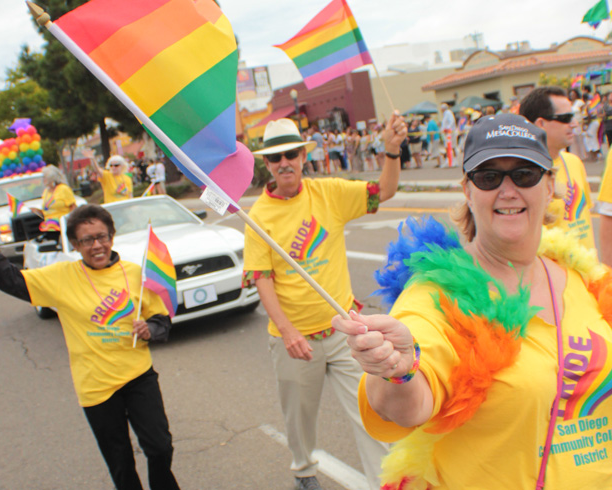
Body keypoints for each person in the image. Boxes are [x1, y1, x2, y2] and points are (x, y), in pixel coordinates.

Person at [333, 113, 612, 489]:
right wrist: (397, 368)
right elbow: (410, 403)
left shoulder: (581, 276)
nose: (508, 190)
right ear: (467, 189)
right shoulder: (438, 295)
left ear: (549, 186)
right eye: (489, 177)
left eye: (525, 174)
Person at [0, 204, 180, 490]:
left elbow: (161, 319)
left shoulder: (135, 273)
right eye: (87, 240)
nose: (96, 245)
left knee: (160, 447)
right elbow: (10, 279)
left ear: (112, 236)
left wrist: (150, 330)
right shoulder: (62, 277)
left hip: (138, 377)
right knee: (120, 463)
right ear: (75, 244)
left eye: (102, 236)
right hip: (96, 387)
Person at [243, 116, 405, 490]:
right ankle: (303, 470)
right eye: (275, 157)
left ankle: (386, 482)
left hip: (344, 332)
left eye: (292, 154)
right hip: (295, 341)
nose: (285, 162)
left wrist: (392, 150)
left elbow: (385, 190)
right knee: (300, 418)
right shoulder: (258, 217)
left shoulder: (329, 193)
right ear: (266, 164)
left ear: (304, 156)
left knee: (370, 410)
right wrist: (287, 332)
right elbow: (261, 279)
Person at [520, 86, 596, 252]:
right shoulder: (522, 177)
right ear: (540, 124)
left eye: (573, 116)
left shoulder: (574, 162)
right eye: (566, 118)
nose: (574, 124)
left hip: (589, 275)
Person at [31, 166, 77, 237]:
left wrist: (70, 223)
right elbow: (48, 209)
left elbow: (73, 207)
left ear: (51, 178)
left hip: (62, 226)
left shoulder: (63, 189)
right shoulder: (46, 191)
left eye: (44, 177)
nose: (43, 179)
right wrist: (37, 211)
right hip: (49, 227)